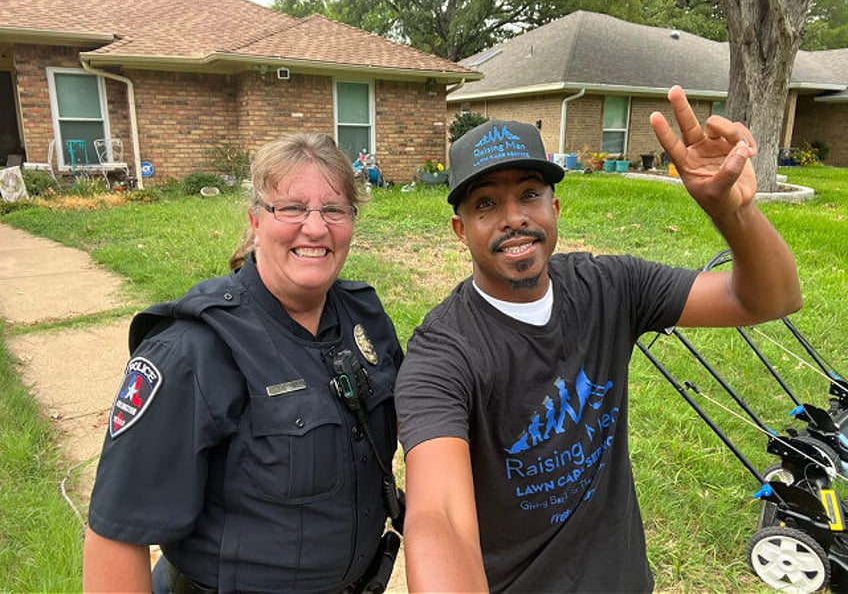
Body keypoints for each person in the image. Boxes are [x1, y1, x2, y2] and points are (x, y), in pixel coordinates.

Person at [395, 85, 802, 593]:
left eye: (528, 194)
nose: (513, 217)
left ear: (556, 207)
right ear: (461, 229)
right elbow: (440, 517)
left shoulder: (608, 287)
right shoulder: (444, 351)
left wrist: (733, 213)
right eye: (486, 203)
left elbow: (768, 299)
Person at [83, 133, 404, 593]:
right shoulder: (192, 351)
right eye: (290, 207)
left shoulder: (366, 318)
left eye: (334, 210)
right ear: (256, 219)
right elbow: (115, 535)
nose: (315, 228)